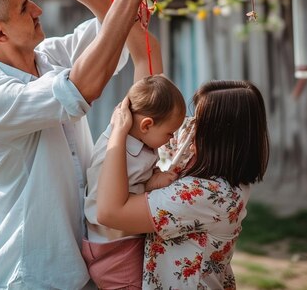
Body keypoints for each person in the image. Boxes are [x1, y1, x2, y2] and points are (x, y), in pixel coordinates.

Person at [0, 0, 157, 290]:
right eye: (24, 8)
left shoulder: (49, 56)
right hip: (34, 270)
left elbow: (118, 34)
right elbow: (83, 88)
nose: (38, 10)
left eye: (29, 0)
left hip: (84, 260)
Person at [96, 80, 270, 289]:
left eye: (200, 121)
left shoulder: (206, 193)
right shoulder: (204, 163)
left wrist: (118, 132)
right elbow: (153, 113)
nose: (190, 125)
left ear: (217, 134)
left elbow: (110, 213)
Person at [83, 59, 188, 290]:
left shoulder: (121, 137)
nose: (171, 139)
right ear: (147, 125)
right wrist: (153, 183)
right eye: (169, 133)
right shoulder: (126, 154)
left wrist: (152, 180)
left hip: (97, 243)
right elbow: (120, 198)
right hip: (117, 250)